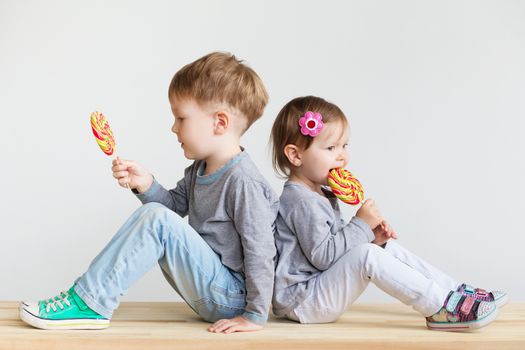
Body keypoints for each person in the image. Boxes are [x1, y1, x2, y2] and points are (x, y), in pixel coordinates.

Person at [20, 52, 279, 334]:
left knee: (156, 218)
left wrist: (254, 315)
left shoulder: (244, 182)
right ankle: (88, 297)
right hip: (213, 289)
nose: (173, 127)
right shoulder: (199, 169)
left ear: (219, 123)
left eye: (181, 118)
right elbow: (172, 208)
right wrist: (145, 183)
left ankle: (90, 302)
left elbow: (261, 252)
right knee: (156, 216)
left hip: (232, 298)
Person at [269, 95, 507, 331]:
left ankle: (452, 292)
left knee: (382, 247)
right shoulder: (301, 200)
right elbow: (324, 256)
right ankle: (441, 307)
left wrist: (371, 236)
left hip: (316, 291)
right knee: (367, 256)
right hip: (302, 300)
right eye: (331, 147)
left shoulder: (321, 193)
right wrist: (360, 225)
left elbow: (334, 245)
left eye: (344, 146)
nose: (342, 155)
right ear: (296, 155)